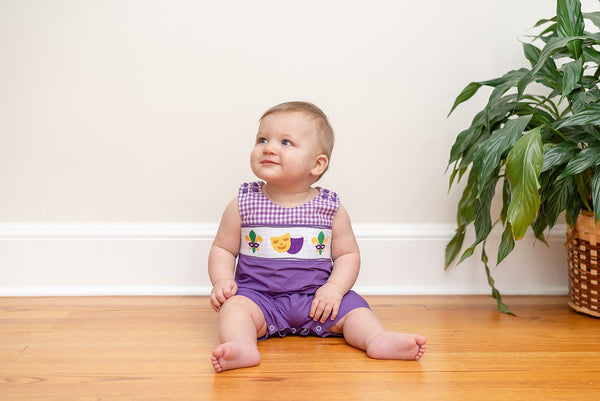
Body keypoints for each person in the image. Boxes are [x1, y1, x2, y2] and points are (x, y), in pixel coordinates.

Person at [209, 101, 426, 373]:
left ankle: (376, 338)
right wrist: (223, 281)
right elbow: (223, 249)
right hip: (259, 298)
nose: (269, 147)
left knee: (355, 309)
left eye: (286, 142)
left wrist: (334, 289)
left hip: (317, 299)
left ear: (317, 164)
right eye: (262, 139)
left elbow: (347, 254)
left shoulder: (329, 207)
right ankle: (242, 345)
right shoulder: (243, 202)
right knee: (235, 309)